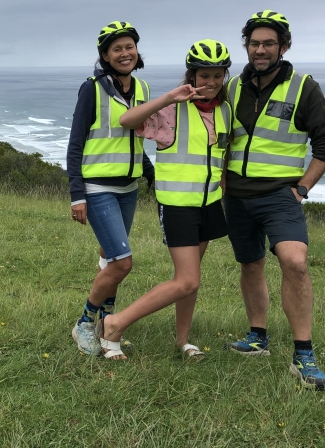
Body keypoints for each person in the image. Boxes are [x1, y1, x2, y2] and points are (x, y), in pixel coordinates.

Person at [223, 10, 325, 390]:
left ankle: (303, 353)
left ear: (283, 47)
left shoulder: (304, 87)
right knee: (251, 265)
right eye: (254, 43)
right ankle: (257, 337)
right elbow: (219, 137)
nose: (260, 50)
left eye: (268, 43)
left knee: (295, 262)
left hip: (279, 196)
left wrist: (303, 187)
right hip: (236, 197)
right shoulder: (233, 87)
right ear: (247, 46)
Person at [97, 39, 233, 360]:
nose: (211, 83)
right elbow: (128, 121)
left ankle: (183, 340)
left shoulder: (226, 110)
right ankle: (115, 324)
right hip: (176, 206)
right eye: (204, 76)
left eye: (218, 76)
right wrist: (170, 96)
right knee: (186, 280)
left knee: (192, 280)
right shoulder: (172, 111)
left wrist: (223, 191)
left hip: (209, 205)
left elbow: (221, 156)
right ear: (191, 77)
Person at [67, 21, 154, 355]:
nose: (124, 53)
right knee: (122, 262)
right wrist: (77, 194)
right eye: (116, 49)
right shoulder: (92, 88)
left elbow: (135, 142)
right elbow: (76, 144)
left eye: (129, 46)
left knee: (109, 258)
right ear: (105, 55)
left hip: (128, 187)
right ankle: (85, 323)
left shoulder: (142, 90)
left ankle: (107, 326)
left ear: (137, 50)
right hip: (97, 186)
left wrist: (151, 175)